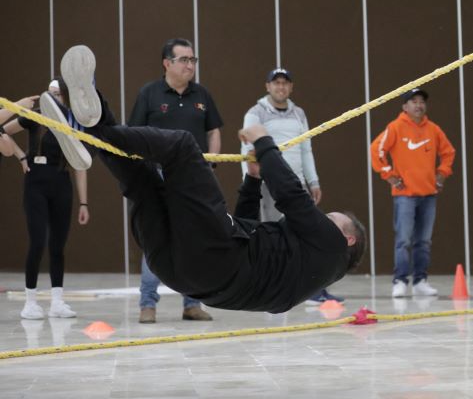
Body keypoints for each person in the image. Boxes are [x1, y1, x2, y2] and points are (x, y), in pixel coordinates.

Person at [56, 45, 367, 314]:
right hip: (182, 275)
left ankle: (91, 133)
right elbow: (248, 228)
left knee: (182, 147)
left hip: (216, 256)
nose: (322, 218)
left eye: (330, 219)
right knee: (144, 184)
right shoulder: (305, 275)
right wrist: (253, 181)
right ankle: (91, 121)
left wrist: (263, 140)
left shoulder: (331, 246)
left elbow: (291, 196)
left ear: (348, 238)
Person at [128, 38, 222, 323]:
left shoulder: (202, 95)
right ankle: (148, 304)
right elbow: (133, 135)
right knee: (155, 237)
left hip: (193, 178)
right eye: (184, 60)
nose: (190, 65)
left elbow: (213, 131)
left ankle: (192, 304)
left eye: (193, 60)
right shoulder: (149, 94)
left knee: (193, 238)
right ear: (167, 63)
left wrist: (211, 164)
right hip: (156, 177)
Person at [241, 67, 339, 305]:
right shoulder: (255, 113)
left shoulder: (299, 114)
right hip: (270, 185)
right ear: (268, 86)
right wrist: (252, 184)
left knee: (308, 235)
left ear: (291, 87)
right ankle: (274, 289)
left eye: (285, 83)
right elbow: (247, 151)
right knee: (274, 237)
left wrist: (313, 181)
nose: (281, 87)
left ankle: (312, 290)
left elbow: (306, 149)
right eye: (276, 83)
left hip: (296, 186)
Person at [0, 83, 89, 320]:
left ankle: (57, 301)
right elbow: (3, 130)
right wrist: (21, 156)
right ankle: (30, 302)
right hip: (35, 181)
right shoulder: (34, 116)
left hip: (61, 182)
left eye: (59, 94)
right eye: (51, 93)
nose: (55, 97)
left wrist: (84, 203)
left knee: (58, 245)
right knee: (38, 241)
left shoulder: (72, 123)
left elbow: (80, 165)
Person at [371, 88, 455, 298]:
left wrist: (442, 174)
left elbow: (448, 152)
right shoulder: (395, 127)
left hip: (429, 194)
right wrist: (388, 174)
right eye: (413, 101)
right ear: (404, 106)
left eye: (422, 102)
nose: (419, 105)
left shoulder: (433, 129)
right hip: (404, 196)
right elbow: (376, 150)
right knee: (403, 241)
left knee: (423, 241)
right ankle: (400, 281)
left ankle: (420, 281)